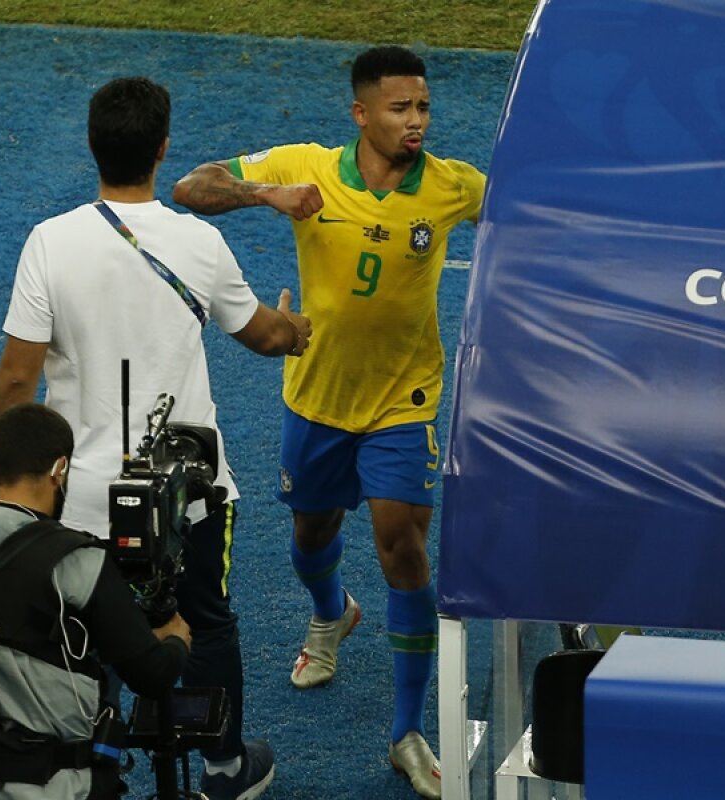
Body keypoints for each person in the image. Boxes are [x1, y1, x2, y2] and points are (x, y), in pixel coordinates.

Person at [171, 45, 486, 799]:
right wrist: (268, 195)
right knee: (311, 536)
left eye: (423, 107)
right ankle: (330, 614)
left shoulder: (450, 187)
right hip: (315, 397)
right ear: (361, 113)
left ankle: (407, 731)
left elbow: (531, 207)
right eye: (400, 108)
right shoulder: (303, 164)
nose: (416, 121)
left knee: (402, 545)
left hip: (403, 400)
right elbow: (191, 187)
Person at [0, 76, 310, 800]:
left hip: (79, 503)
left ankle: (92, 765)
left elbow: (16, 381)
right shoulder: (200, 241)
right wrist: (298, 330)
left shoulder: (49, 243)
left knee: (80, 633)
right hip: (188, 491)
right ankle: (223, 768)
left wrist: (0, 479)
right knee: (206, 624)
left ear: (94, 147)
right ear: (162, 150)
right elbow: (262, 334)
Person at [0, 403, 192, 799]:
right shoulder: (82, 561)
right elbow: (152, 676)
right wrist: (175, 639)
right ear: (60, 469)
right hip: (61, 786)